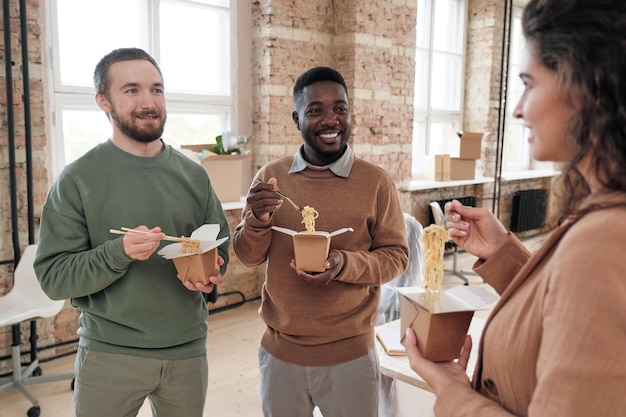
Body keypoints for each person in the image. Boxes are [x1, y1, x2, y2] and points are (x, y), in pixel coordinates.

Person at [403, 0, 626, 416]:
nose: (519, 108)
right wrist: (503, 255)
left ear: (590, 85)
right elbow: (561, 310)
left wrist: (453, 394)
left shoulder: (605, 238)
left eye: (529, 83)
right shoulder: (602, 214)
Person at [34, 47, 230, 417]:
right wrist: (117, 253)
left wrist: (211, 273)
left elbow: (221, 248)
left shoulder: (194, 175)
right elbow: (54, 279)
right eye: (131, 90)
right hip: (110, 354)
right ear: (102, 101)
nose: (148, 101)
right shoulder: (77, 179)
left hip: (187, 351)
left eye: (156, 89)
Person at [233, 66, 409, 416]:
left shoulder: (375, 182)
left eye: (339, 109)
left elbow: (396, 257)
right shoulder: (271, 177)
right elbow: (248, 256)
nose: (331, 120)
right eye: (315, 111)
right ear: (297, 118)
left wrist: (343, 264)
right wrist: (258, 219)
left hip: (351, 356)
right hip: (280, 353)